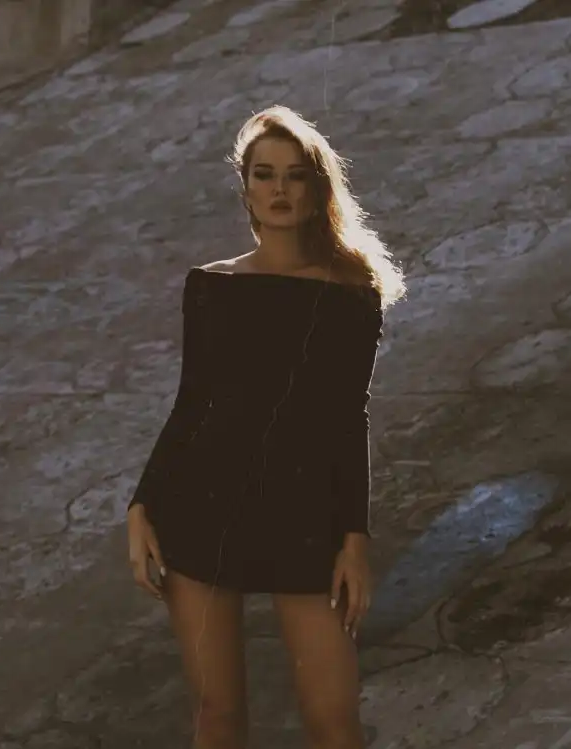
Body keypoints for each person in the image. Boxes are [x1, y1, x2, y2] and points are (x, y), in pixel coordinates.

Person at [127, 105, 405, 749]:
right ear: (246, 187)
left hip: (303, 513)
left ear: (317, 187)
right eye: (264, 174)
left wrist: (354, 541)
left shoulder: (350, 291)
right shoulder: (210, 285)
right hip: (202, 508)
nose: (279, 189)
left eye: (295, 175)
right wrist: (142, 503)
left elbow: (348, 417)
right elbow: (192, 404)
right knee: (218, 716)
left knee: (334, 722)